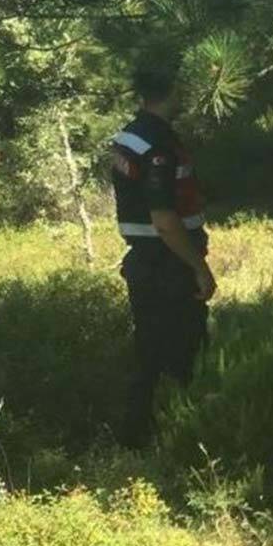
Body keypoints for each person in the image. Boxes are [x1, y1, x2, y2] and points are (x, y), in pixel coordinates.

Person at [110, 67, 216, 448]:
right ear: (172, 88)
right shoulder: (157, 144)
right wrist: (199, 268)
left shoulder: (130, 134)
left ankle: (138, 437)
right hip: (168, 262)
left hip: (144, 260)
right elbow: (165, 220)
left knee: (149, 353)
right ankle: (184, 438)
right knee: (186, 352)